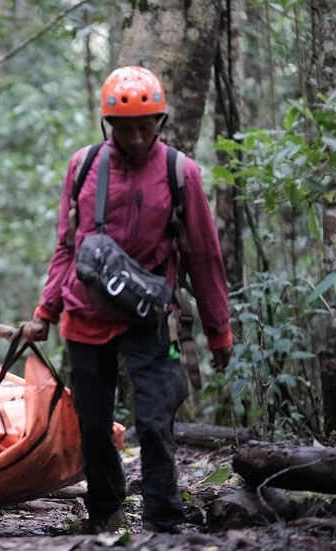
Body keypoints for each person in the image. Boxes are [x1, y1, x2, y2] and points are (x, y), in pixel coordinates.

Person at [22, 66, 233, 534]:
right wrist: (46, 311)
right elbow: (66, 246)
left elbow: (203, 254)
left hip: (150, 318)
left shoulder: (180, 172)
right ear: (108, 125)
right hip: (85, 313)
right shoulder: (83, 167)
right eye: (125, 128)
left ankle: (164, 519)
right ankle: (105, 513)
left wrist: (219, 330)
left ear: (160, 122)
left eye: (145, 127)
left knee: (155, 421)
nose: (136, 138)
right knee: (93, 425)